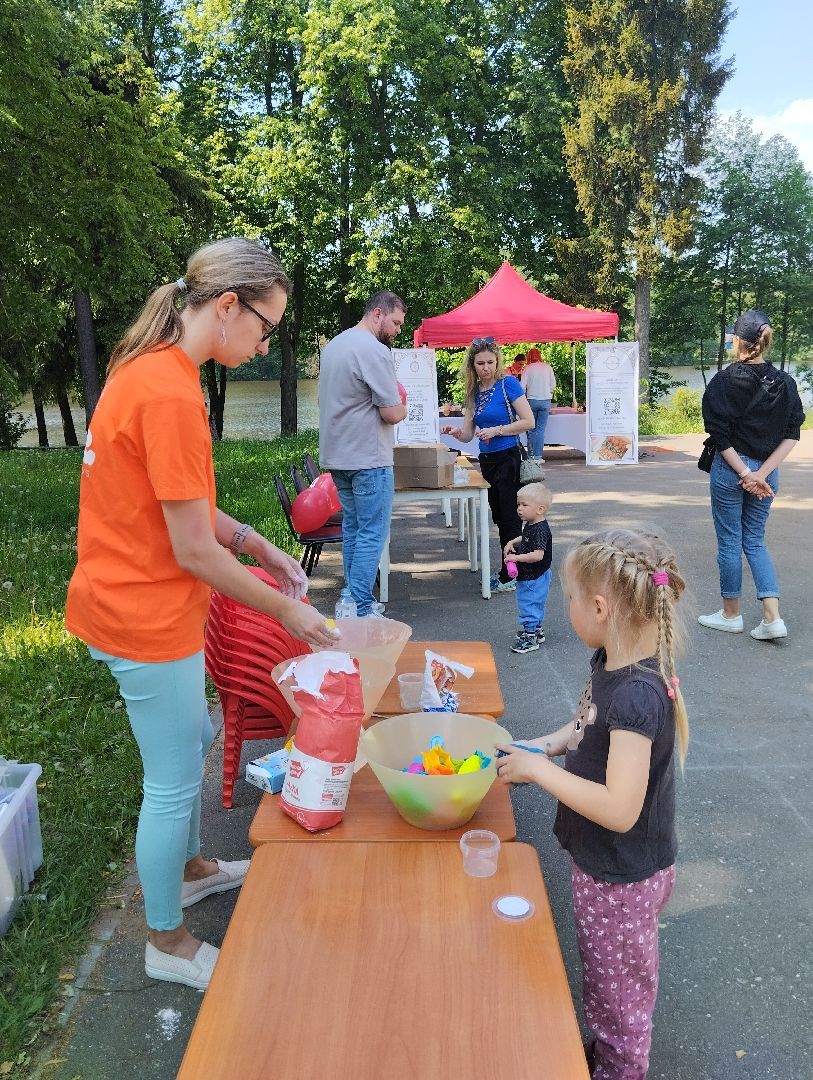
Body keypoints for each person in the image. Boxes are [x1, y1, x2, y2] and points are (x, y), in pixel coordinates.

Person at [65, 238, 339, 992]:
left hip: (137, 604)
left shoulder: (152, 372)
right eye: (263, 326)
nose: (262, 342)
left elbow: (187, 507)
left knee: (191, 741)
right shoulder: (169, 391)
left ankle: (189, 870)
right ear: (226, 306)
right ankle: (168, 942)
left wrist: (260, 546)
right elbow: (191, 550)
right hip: (141, 617)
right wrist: (291, 611)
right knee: (171, 779)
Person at [496, 528, 687, 1080]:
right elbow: (585, 726)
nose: (568, 609)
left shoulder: (635, 694)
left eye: (571, 599)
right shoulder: (611, 660)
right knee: (606, 983)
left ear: (600, 607)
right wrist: (544, 747)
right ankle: (604, 1051)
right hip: (607, 869)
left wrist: (540, 772)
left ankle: (619, 1067)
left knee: (620, 1001)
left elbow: (620, 808)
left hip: (621, 878)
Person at [698, 310, 805, 640]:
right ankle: (772, 618)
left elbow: (719, 434)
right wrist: (761, 474)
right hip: (767, 472)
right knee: (755, 541)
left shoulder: (723, 381)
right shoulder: (785, 382)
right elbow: (792, 432)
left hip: (731, 470)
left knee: (730, 541)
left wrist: (746, 473)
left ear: (737, 342)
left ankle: (731, 615)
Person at [318, 291, 407, 616]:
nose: (397, 330)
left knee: (354, 528)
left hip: (338, 456)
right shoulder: (373, 350)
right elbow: (391, 413)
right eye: (396, 322)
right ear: (378, 314)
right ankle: (360, 606)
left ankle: (349, 598)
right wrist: (403, 405)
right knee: (373, 532)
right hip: (368, 457)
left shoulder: (334, 346)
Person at [441, 336, 533, 592]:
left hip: (508, 457)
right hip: (487, 460)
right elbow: (469, 434)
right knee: (499, 517)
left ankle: (512, 574)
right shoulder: (473, 393)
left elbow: (529, 421)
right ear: (472, 365)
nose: (486, 368)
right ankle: (511, 569)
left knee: (510, 517)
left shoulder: (509, 384)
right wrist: (455, 433)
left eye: (491, 362)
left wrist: (497, 431)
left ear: (497, 362)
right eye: (480, 363)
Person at [503, 482, 553, 653]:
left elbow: (537, 555)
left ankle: (530, 637)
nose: (519, 508)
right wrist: (512, 541)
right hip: (535, 574)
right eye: (518, 504)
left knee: (529, 604)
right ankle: (537, 632)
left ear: (540, 509)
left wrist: (516, 558)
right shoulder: (533, 524)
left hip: (534, 576)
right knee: (535, 603)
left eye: (524, 505)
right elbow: (525, 538)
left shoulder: (540, 529)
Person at [521, 346, 556, 461]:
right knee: (540, 430)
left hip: (531, 401)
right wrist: (547, 392)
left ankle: (531, 456)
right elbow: (553, 385)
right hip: (546, 401)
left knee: (531, 429)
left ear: (529, 357)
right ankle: (538, 456)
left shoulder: (527, 368)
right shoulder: (548, 367)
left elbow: (522, 387)